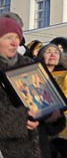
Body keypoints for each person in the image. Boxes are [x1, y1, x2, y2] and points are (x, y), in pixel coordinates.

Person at [0, 17, 41, 158]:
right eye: (8, 37)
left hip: (29, 147)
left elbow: (42, 98)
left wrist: (51, 112)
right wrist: (21, 120)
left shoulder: (28, 64)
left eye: (17, 37)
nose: (14, 42)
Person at [35, 44, 67, 158]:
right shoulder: (34, 75)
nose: (53, 54)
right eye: (48, 51)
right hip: (37, 130)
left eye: (56, 52)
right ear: (41, 55)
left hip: (61, 130)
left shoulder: (66, 76)